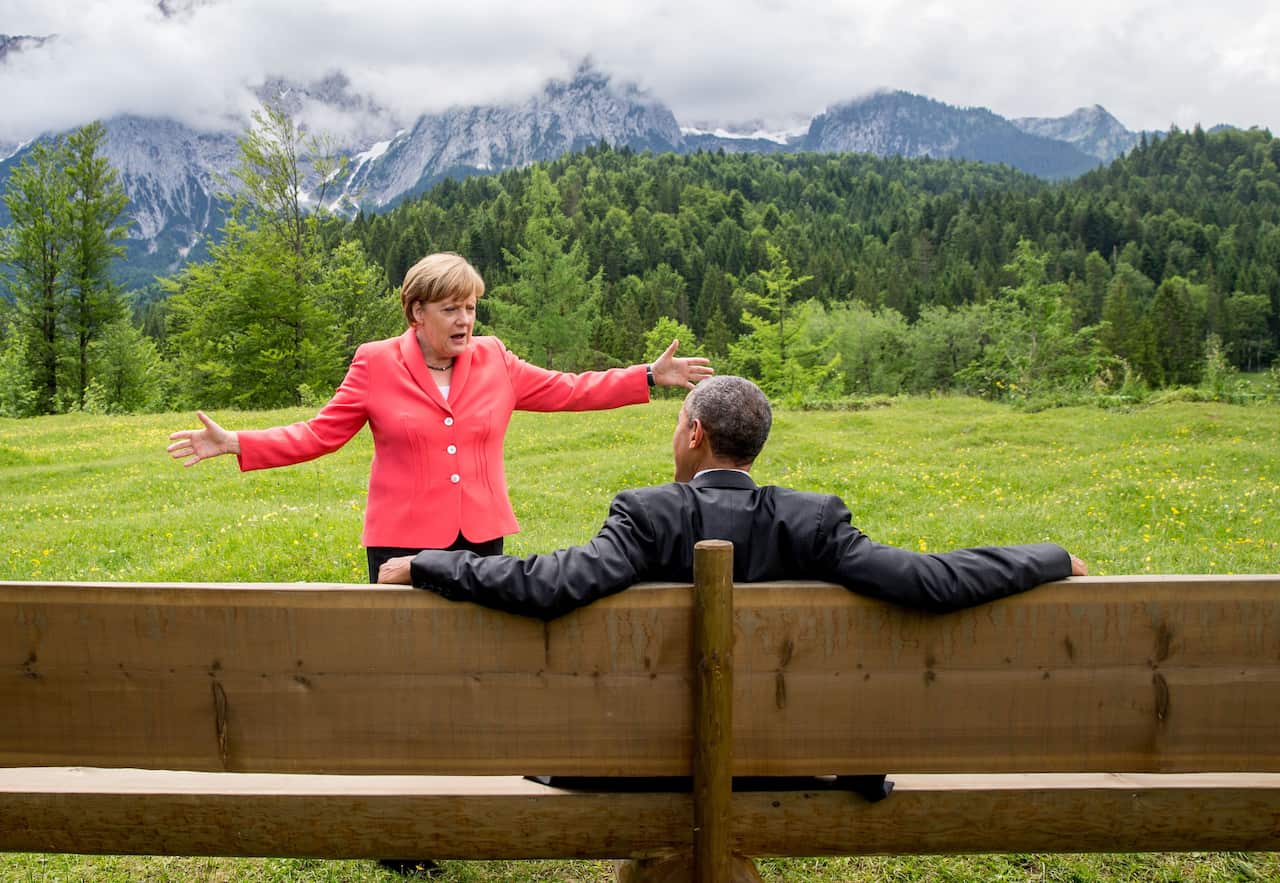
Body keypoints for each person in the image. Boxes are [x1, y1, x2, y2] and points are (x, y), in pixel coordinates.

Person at [166, 252, 714, 584]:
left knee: (476, 653)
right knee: (401, 656)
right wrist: (237, 442)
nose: (465, 320)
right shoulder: (375, 363)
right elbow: (319, 434)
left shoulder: (496, 358)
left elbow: (567, 389)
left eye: (471, 307)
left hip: (480, 536)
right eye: (451, 308)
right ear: (416, 312)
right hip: (400, 539)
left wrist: (645, 375)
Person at [377, 374, 1087, 616]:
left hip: (641, 763)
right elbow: (931, 580)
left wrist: (430, 562)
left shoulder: (646, 515)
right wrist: (1048, 556)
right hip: (791, 757)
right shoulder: (814, 521)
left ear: (693, 433)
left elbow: (549, 584)